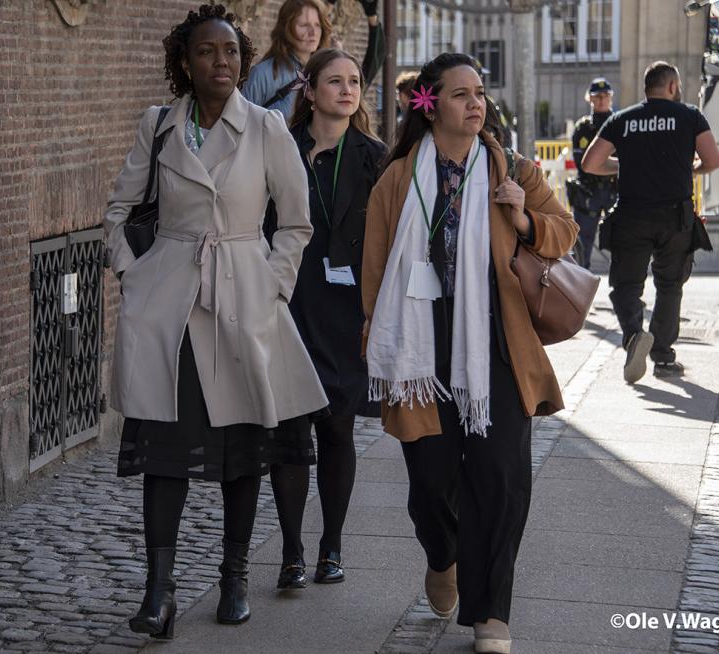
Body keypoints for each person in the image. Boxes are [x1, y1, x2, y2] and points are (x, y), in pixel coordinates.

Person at [103, 4, 328, 639]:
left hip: (243, 297)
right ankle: (160, 590)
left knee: (241, 448)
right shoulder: (160, 126)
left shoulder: (266, 127)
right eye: (207, 51)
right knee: (165, 452)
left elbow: (295, 222)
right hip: (169, 306)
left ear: (243, 61)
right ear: (185, 61)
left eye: (230, 52)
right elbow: (119, 210)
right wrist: (133, 274)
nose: (221, 62)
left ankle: (233, 577)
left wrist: (273, 286)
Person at [361, 53, 577, 654]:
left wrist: (525, 217)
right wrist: (373, 346)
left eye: (479, 92)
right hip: (420, 347)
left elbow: (564, 231)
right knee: (431, 485)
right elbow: (374, 275)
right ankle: (443, 555)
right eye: (460, 94)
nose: (475, 103)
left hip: (498, 345)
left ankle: (491, 614)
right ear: (430, 105)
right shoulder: (399, 179)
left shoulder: (511, 169)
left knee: (501, 479)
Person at [262, 48, 387, 590]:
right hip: (289, 301)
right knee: (290, 433)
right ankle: (290, 551)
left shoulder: (375, 157)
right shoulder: (278, 148)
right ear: (309, 91)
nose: (347, 90)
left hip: (347, 310)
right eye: (334, 81)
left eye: (354, 81)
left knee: (338, 429)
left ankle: (331, 547)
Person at [582, 61, 719, 383]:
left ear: (647, 88)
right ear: (672, 86)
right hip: (675, 217)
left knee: (625, 285)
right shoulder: (690, 116)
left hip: (632, 215)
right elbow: (712, 160)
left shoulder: (623, 119)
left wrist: (627, 165)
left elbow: (590, 163)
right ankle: (663, 357)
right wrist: (689, 169)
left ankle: (633, 335)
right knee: (670, 286)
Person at [241, 0, 385, 123]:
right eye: (304, 25)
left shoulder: (328, 73)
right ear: (287, 28)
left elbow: (371, 68)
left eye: (317, 25)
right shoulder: (263, 74)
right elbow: (241, 126)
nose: (313, 32)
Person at [569, 77, 618, 269]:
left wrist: (601, 164)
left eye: (605, 96)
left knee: (622, 241)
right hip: (589, 192)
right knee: (582, 244)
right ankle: (579, 288)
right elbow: (583, 164)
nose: (602, 100)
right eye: (597, 96)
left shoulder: (619, 123)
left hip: (615, 189)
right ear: (589, 99)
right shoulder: (583, 128)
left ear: (611, 98)